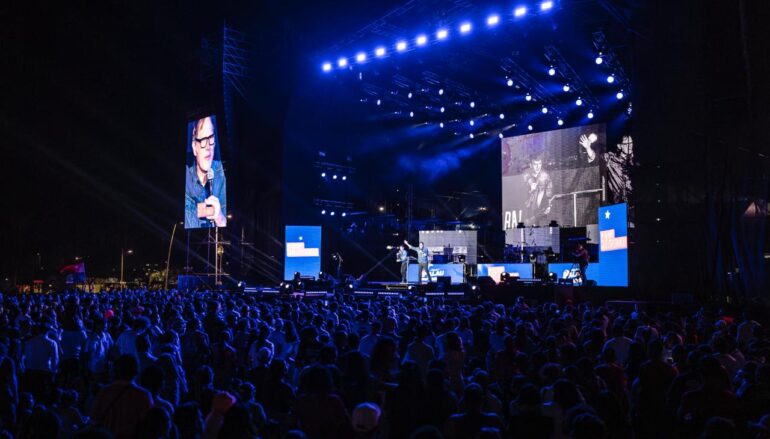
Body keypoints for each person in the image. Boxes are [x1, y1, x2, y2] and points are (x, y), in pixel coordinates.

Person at [184, 115, 227, 229]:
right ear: (194, 147)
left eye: (211, 138)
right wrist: (205, 210)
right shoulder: (187, 178)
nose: (208, 146)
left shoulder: (222, 173)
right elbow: (187, 217)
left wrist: (219, 217)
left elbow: (229, 223)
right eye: (203, 140)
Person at [523, 156, 552, 225]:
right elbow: (520, 192)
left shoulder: (545, 176)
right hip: (526, 210)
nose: (538, 166)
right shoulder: (525, 176)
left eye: (539, 164)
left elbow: (549, 191)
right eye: (535, 164)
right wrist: (530, 188)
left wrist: (549, 205)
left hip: (540, 210)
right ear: (531, 165)